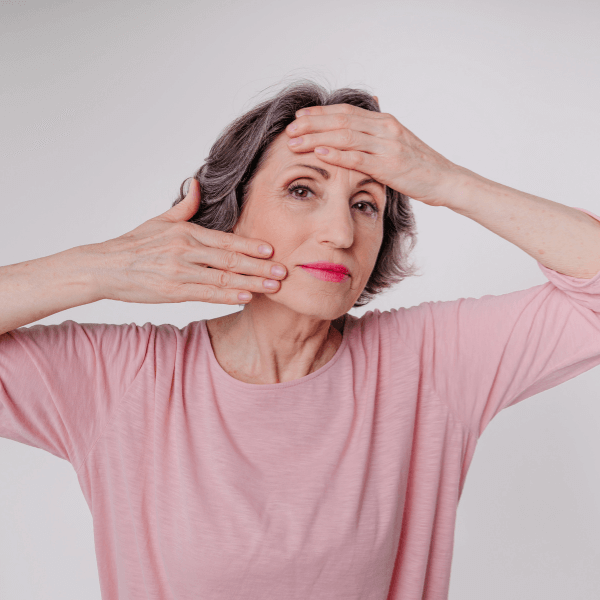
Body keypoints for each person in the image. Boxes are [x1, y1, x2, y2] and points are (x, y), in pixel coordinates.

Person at [1, 79, 600, 600]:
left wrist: (441, 179)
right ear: (229, 211)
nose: (341, 232)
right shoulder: (125, 379)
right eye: (301, 190)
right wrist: (104, 268)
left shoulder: (425, 367)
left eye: (365, 204)